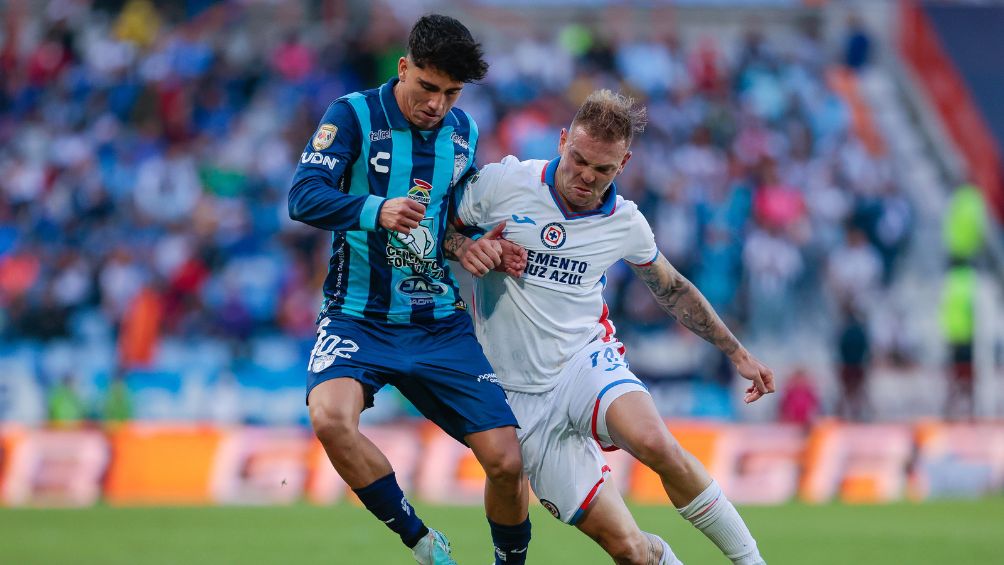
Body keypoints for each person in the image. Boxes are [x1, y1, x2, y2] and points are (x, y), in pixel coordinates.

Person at [453, 90, 773, 564]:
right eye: (579, 160)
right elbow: (433, 228)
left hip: (586, 361)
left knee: (655, 442)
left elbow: (673, 288)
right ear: (563, 140)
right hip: (517, 395)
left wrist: (738, 353)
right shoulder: (504, 183)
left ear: (623, 164)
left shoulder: (624, 222)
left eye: (602, 170)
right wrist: (466, 246)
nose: (586, 177)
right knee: (631, 552)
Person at [287, 15, 531, 565]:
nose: (436, 105)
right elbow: (302, 197)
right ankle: (423, 542)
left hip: (437, 323)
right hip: (357, 315)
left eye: (450, 93)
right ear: (403, 67)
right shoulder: (351, 115)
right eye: (426, 87)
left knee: (506, 462)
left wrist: (466, 247)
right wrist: (376, 209)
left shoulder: (464, 132)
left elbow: (446, 223)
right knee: (329, 418)